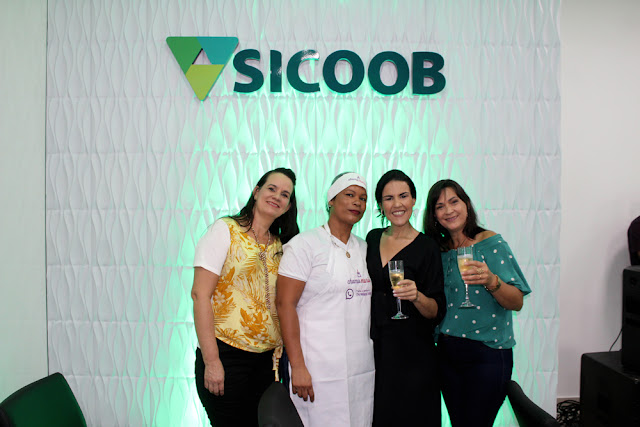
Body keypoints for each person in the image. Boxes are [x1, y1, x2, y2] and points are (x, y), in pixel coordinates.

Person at [191, 167, 299, 427]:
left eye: (285, 195)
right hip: (226, 356)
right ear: (256, 192)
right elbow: (200, 295)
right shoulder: (225, 230)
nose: (277, 196)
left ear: (288, 207)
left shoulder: (281, 246)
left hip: (266, 363)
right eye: (272, 189)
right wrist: (212, 361)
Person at [424, 179, 531, 427]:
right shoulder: (439, 251)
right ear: (434, 215)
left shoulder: (490, 243)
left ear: (467, 205)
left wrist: (492, 281)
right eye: (440, 206)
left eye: (454, 202)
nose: (448, 210)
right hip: (448, 354)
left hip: (488, 354)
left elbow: (516, 302)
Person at [276, 172, 375, 427]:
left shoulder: (364, 248)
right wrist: (298, 366)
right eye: (349, 195)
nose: (357, 202)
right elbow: (284, 305)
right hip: (316, 370)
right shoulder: (304, 245)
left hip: (360, 369)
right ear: (331, 200)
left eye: (363, 198)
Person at [365, 170, 446, 426]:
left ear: (413, 200)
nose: (397, 204)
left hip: (414, 353)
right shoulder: (372, 238)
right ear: (380, 205)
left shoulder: (428, 247)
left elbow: (436, 311)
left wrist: (417, 296)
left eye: (403, 196)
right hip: (375, 349)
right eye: (388, 198)